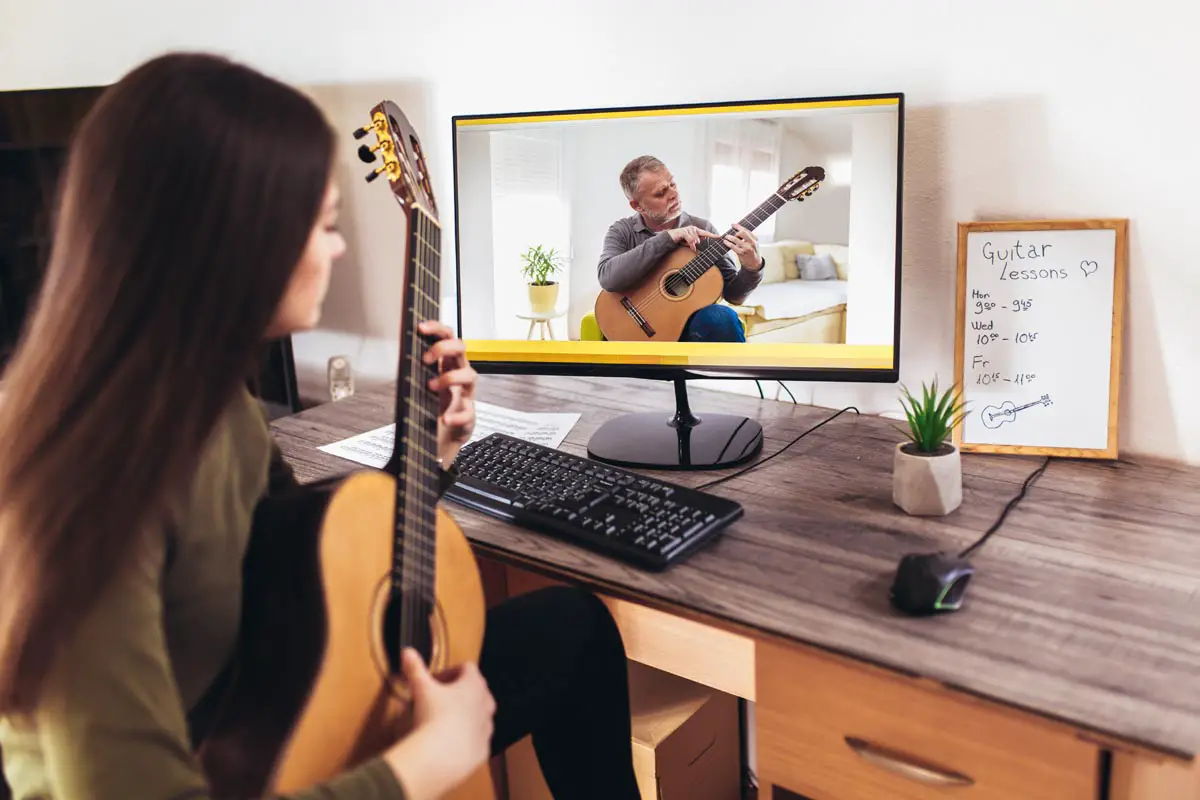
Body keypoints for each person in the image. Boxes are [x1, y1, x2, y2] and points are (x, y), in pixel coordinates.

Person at [0, 52, 640, 800]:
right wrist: (420, 764)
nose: (338, 247)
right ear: (237, 236)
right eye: (325, 223)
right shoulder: (92, 482)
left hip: (262, 695)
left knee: (575, 629)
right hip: (225, 763)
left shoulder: (205, 399)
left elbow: (299, 551)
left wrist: (428, 457)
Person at [597, 155, 764, 342]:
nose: (673, 194)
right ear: (638, 206)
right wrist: (667, 237)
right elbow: (608, 278)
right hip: (628, 330)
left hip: (686, 330)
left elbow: (734, 296)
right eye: (660, 193)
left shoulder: (703, 229)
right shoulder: (623, 231)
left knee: (721, 317)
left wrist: (753, 268)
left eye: (672, 184)